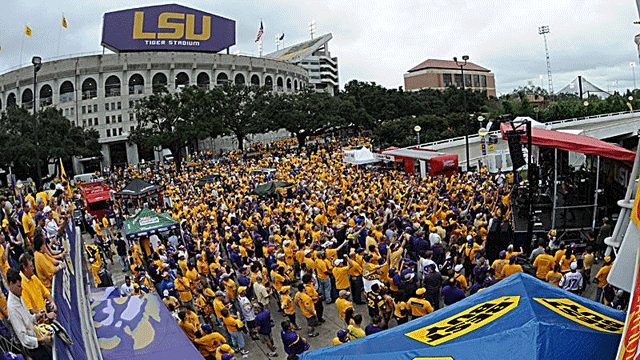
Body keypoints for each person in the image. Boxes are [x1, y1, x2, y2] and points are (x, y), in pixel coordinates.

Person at [7, 268, 55, 360]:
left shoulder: (19, 297)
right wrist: (41, 340)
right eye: (19, 286)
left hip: (37, 336)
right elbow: (23, 338)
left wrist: (37, 316)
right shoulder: (12, 308)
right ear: (11, 285)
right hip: (34, 348)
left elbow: (28, 318)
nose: (22, 289)